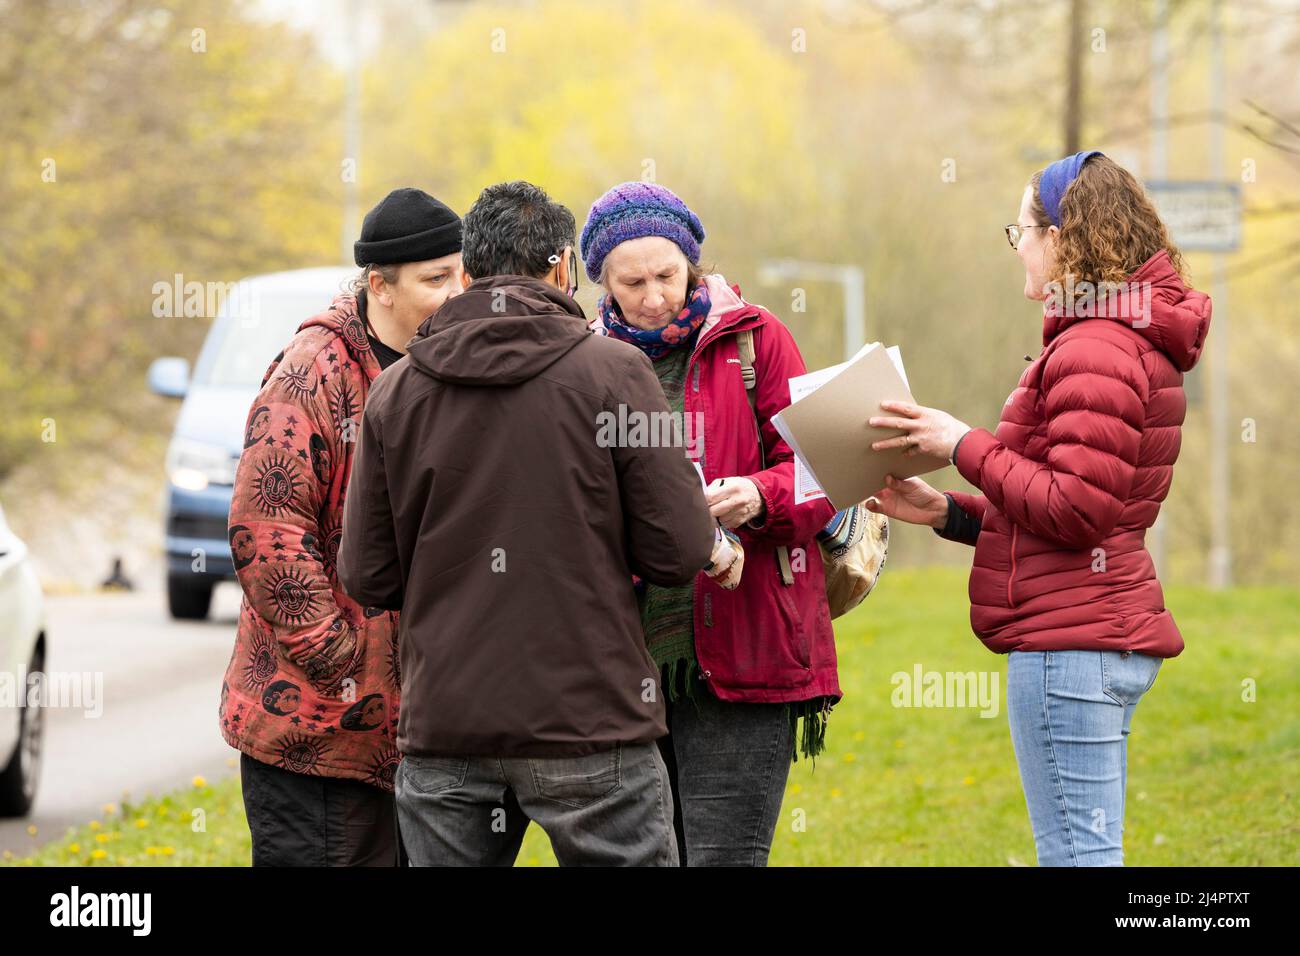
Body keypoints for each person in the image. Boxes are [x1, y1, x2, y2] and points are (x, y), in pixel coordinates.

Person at [337, 180, 724, 867]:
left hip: (448, 724)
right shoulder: (615, 374)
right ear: (561, 266)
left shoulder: (396, 392)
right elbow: (680, 550)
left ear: (469, 271)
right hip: (591, 716)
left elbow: (369, 575)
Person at [864, 151, 1211, 866]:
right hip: (1097, 627)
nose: (1016, 245)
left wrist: (961, 442)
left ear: (1063, 238)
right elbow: (1076, 507)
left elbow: (1078, 510)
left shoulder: (1096, 347)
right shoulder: (1118, 338)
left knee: (1078, 858)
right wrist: (949, 515)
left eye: (1020, 230)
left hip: (1070, 646)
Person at [578, 182, 842, 866]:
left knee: (725, 857)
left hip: (746, 640)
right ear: (601, 281)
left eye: (667, 274)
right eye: (631, 281)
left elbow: (823, 470)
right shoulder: (582, 362)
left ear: (692, 263)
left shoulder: (757, 341)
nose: (654, 295)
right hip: (624, 660)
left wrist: (759, 494)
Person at [220, 187, 465, 866]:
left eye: (462, 274)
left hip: (416, 734)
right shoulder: (312, 371)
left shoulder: (444, 366)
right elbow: (265, 525)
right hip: (313, 732)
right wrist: (339, 657)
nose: (456, 293)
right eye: (435, 279)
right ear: (380, 286)